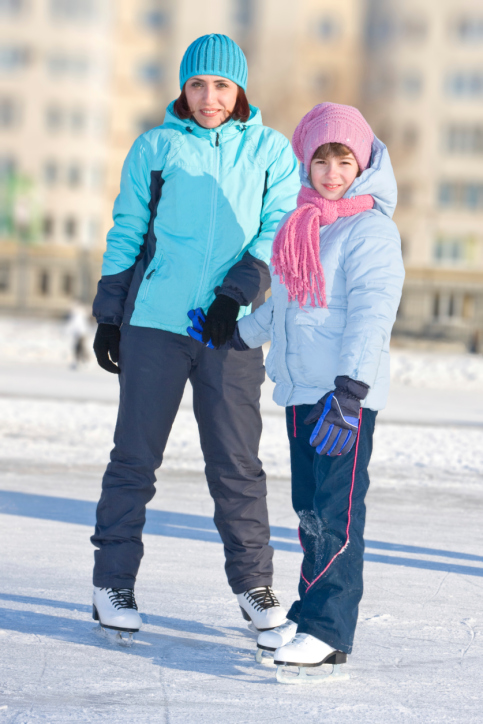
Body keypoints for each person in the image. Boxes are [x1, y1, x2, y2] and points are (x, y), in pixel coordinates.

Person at [90, 34, 300, 640]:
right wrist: (110, 313)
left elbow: (277, 229)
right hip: (155, 322)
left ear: (240, 90)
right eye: (198, 85)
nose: (210, 98)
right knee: (134, 458)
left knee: (236, 463)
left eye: (222, 85)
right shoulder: (155, 147)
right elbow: (128, 228)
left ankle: (254, 588)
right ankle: (112, 582)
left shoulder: (269, 151)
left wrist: (236, 294)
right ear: (183, 87)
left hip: (230, 332)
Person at [188, 103, 405, 681]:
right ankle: (309, 614)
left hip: (343, 398)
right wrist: (234, 334)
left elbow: (371, 313)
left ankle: (329, 632)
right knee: (309, 512)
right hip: (304, 393)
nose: (332, 171)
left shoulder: (372, 230)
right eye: (321, 159)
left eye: (344, 159)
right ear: (304, 163)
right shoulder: (303, 225)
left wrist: (352, 390)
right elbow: (286, 309)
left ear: (363, 165)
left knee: (335, 514)